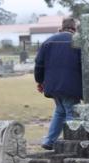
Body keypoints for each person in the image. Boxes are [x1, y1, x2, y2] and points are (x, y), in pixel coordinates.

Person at [34, 17, 82, 150]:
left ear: (62, 26)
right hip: (71, 85)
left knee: (60, 111)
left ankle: (49, 141)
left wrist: (39, 81)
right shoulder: (77, 42)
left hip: (52, 85)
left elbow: (39, 64)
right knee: (71, 112)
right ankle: (72, 144)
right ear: (74, 28)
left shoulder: (48, 42)